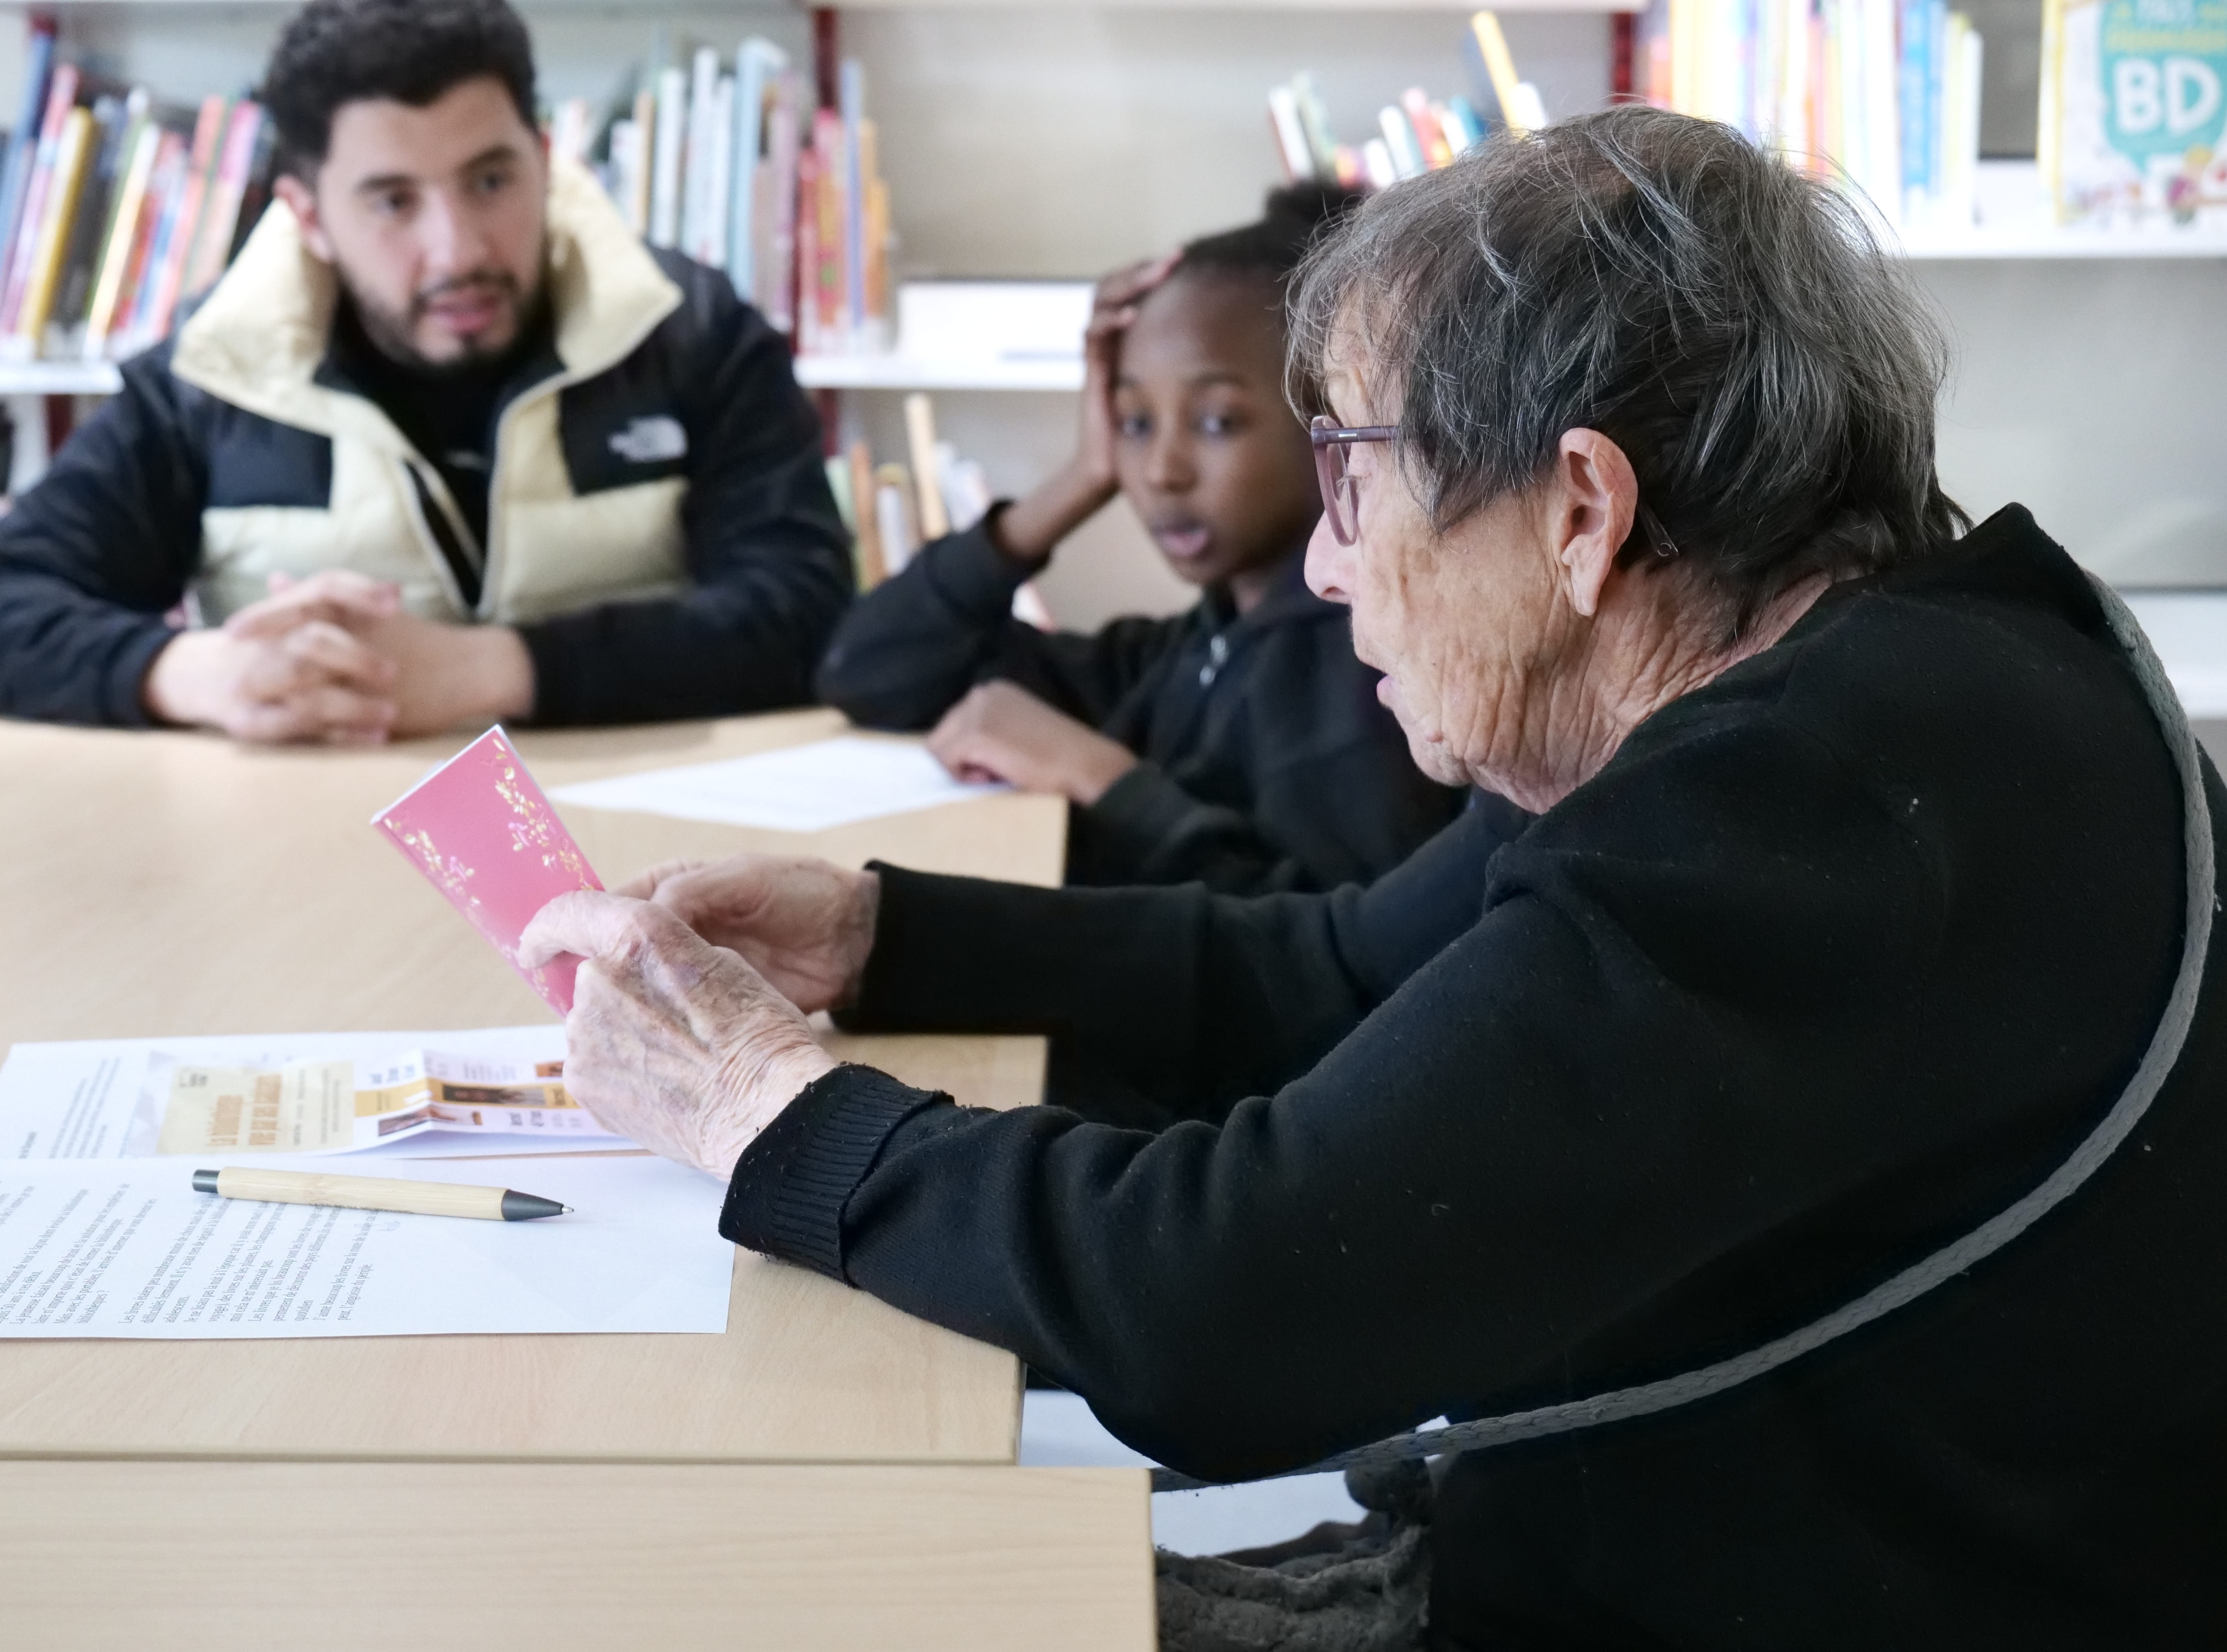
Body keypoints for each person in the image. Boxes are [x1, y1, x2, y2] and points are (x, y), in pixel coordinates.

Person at [517, 109, 2227, 1649]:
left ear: (1580, 510)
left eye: (1352, 469)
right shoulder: (1801, 689)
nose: (1328, 565)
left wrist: (760, 1110)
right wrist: (890, 929)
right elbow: (1337, 969)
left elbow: (1218, 1316)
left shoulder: (1815, 812)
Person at [0, 0, 850, 743]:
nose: (458, 251)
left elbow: (812, 614)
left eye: (492, 180)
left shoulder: (693, 330)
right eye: (393, 202)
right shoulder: (209, 376)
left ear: (546, 157)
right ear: (307, 214)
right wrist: (207, 675)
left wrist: (491, 670)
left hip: (657, 856)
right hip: (311, 860)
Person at [818, 187, 1462, 892]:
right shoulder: (1202, 644)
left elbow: (1342, 958)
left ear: (1336, 423)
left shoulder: (1353, 683)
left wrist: (1105, 781)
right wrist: (1081, 478)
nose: (1160, 472)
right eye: (1134, 422)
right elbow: (868, 671)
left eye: (1217, 423)